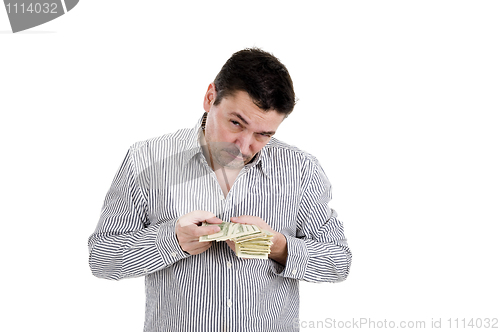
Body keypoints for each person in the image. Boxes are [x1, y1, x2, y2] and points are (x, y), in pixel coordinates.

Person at [88, 48, 352, 332]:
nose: (243, 146)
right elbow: (102, 258)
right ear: (210, 97)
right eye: (236, 123)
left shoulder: (301, 169)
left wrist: (278, 247)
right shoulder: (146, 159)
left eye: (263, 134)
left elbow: (339, 261)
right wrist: (172, 240)